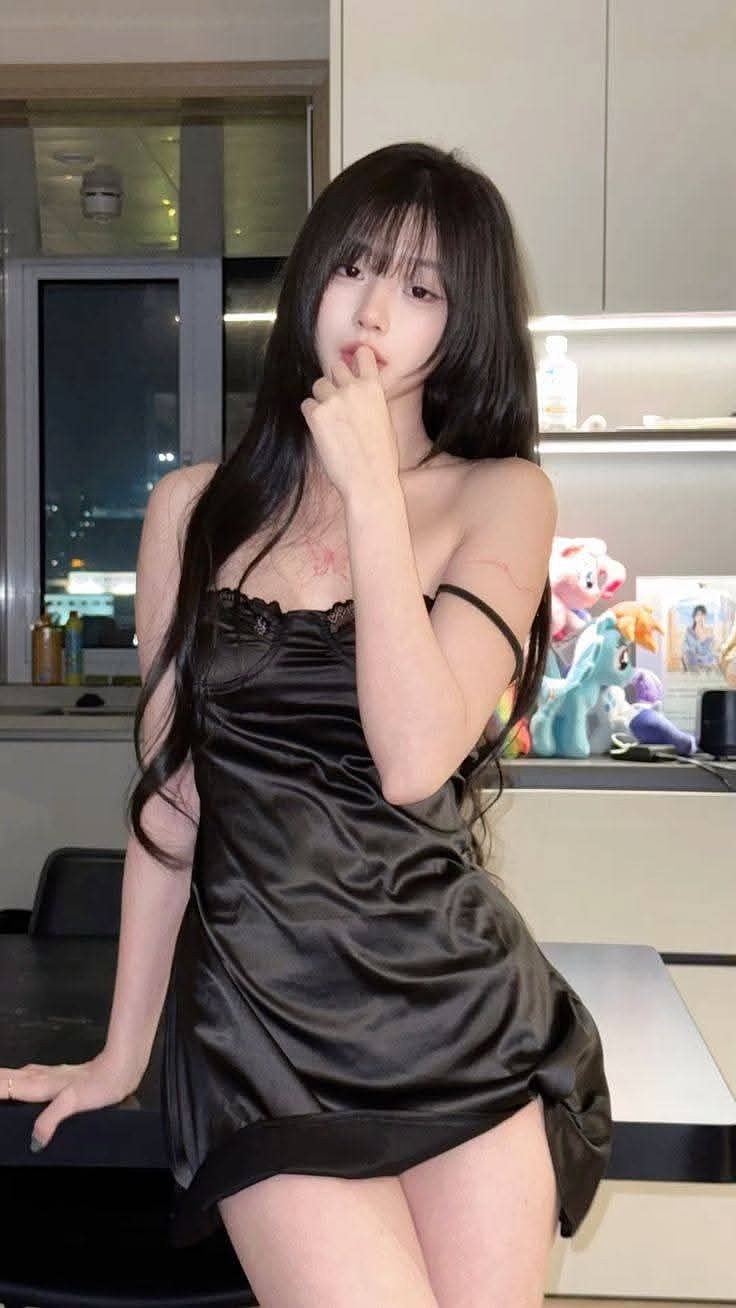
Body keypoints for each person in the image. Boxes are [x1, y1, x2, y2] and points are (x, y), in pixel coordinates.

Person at [2, 142, 612, 1308]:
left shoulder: (501, 496)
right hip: (260, 1029)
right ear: (312, 280)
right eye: (355, 266)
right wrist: (123, 1051)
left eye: (421, 288)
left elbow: (414, 754)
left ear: (462, 325)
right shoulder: (192, 507)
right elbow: (173, 801)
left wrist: (373, 489)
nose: (375, 310)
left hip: (457, 1014)